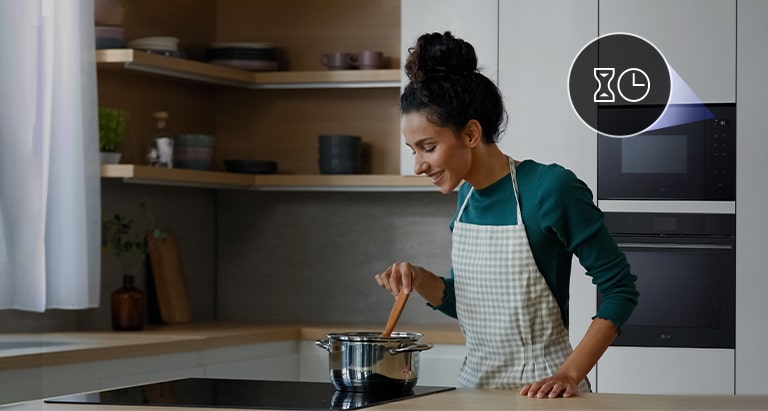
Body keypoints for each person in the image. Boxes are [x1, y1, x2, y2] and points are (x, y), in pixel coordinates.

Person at [374, 31, 639, 399]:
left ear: (470, 133)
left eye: (428, 147)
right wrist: (418, 278)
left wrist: (568, 374)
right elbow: (470, 305)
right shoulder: (466, 197)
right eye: (412, 150)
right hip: (474, 393)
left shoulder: (550, 188)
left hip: (544, 396)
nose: (418, 165)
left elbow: (620, 290)